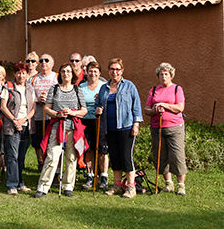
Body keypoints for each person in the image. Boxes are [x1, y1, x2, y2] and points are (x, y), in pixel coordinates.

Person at [33, 63, 88, 198]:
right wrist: (58, 114)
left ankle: (68, 186)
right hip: (57, 127)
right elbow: (47, 109)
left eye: (69, 71)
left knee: (71, 158)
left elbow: (84, 110)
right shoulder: (54, 89)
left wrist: (72, 113)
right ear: (60, 74)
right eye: (63, 71)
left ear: (72, 74)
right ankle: (43, 187)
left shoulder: (77, 90)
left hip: (73, 129)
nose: (66, 74)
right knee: (52, 157)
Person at [95, 58, 143, 199]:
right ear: (108, 71)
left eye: (117, 69)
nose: (114, 72)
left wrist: (136, 124)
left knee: (126, 157)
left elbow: (136, 106)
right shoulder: (104, 87)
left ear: (122, 71)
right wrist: (98, 109)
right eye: (112, 69)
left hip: (126, 126)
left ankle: (130, 187)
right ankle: (117, 185)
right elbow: (98, 104)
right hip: (109, 128)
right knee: (115, 157)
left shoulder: (129, 86)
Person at [144, 63, 187, 196]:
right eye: (161, 74)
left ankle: (181, 185)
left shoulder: (177, 89)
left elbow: (180, 107)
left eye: (166, 74)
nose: (163, 77)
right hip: (157, 127)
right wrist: (154, 109)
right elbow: (147, 110)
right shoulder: (154, 90)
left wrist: (164, 105)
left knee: (177, 156)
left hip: (174, 128)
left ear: (171, 75)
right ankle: (168, 183)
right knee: (160, 156)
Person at [0, 63, 36, 195]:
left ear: (27, 74)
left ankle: (20, 183)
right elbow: (3, 107)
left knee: (21, 156)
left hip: (25, 126)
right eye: (18, 73)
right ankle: (11, 185)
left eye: (24, 73)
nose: (21, 75)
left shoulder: (30, 89)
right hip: (11, 126)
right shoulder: (8, 88)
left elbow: (33, 109)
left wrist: (24, 119)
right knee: (12, 156)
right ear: (14, 74)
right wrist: (15, 120)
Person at [79, 62, 109, 190]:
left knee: (102, 150)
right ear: (86, 72)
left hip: (100, 121)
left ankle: (104, 176)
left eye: (96, 71)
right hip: (85, 120)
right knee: (89, 149)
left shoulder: (104, 86)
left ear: (100, 73)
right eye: (90, 71)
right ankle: (90, 176)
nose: (93, 73)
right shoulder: (81, 86)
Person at [29, 54, 58, 172]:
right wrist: (37, 99)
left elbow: (63, 93)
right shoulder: (33, 78)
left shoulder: (56, 77)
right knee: (39, 141)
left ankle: (52, 164)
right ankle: (40, 162)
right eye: (41, 61)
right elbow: (28, 95)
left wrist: (49, 100)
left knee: (52, 141)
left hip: (52, 116)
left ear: (52, 63)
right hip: (38, 115)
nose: (43, 62)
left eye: (47, 60)